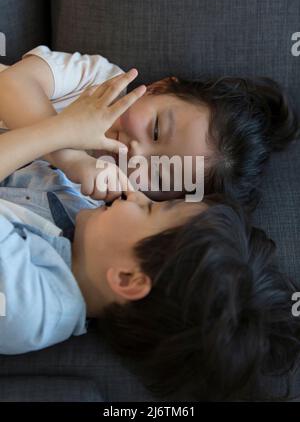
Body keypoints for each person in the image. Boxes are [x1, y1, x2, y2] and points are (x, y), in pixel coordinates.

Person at [0, 69, 298, 401]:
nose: (138, 195)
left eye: (152, 208)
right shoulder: (83, 218)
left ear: (127, 277)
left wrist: (60, 133)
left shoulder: (26, 305)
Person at [0, 46, 298, 206]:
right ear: (160, 87)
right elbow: (11, 84)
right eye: (155, 130)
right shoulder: (102, 84)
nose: (136, 151)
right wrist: (70, 158)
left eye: (156, 173)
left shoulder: (100, 207)